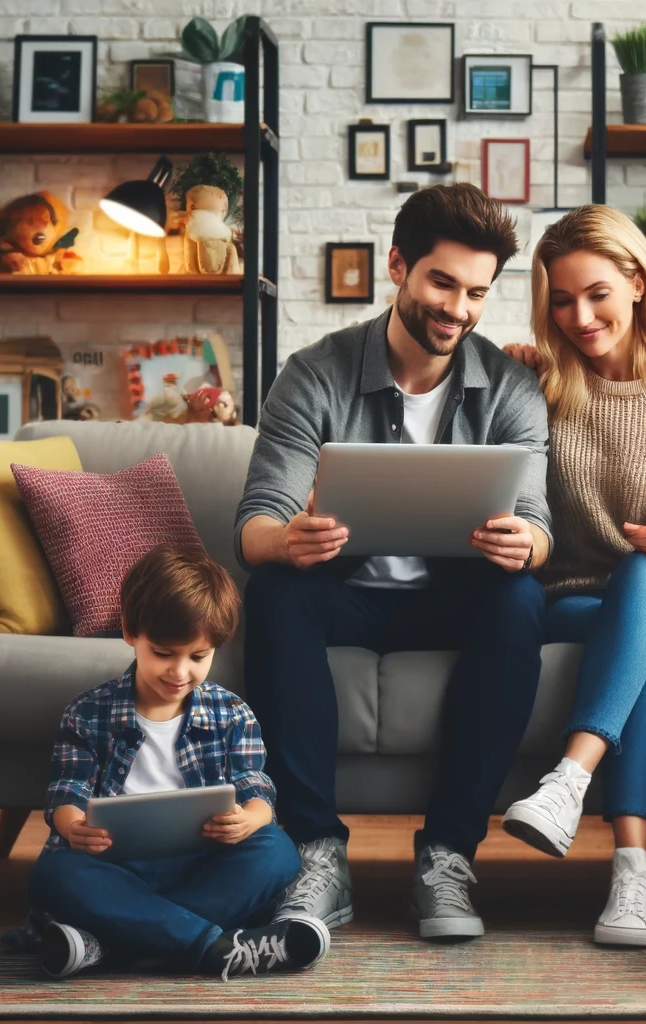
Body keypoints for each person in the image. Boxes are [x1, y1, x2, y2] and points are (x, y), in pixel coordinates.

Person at [236, 182, 552, 942]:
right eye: (441, 282)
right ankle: (316, 853)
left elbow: (541, 526)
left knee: (521, 597)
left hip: (452, 596)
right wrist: (290, 539)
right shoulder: (315, 372)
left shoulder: (511, 387)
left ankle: (447, 856)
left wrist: (525, 544)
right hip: (340, 591)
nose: (458, 308)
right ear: (399, 266)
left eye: (477, 292)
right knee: (275, 590)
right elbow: (254, 526)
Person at [496, 204, 646, 948]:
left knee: (644, 579)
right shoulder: (542, 384)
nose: (580, 316)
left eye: (596, 293)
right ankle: (631, 870)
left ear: (637, 281)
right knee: (644, 646)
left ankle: (570, 780)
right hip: (582, 603)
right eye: (562, 301)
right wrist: (498, 376)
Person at [27, 544, 329, 980]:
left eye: (198, 657)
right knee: (55, 872)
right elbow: (66, 792)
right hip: (116, 869)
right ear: (131, 632)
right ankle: (213, 947)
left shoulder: (232, 712)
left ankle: (109, 944)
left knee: (276, 851)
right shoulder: (87, 712)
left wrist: (248, 819)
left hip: (203, 865)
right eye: (164, 653)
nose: (180, 672)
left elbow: (258, 790)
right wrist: (73, 827)